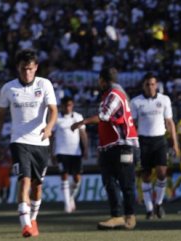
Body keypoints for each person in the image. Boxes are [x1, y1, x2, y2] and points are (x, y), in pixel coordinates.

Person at [0, 48, 58, 237]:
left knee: (38, 187)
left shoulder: (45, 85)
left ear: (36, 68)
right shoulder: (8, 88)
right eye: (23, 69)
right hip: (19, 142)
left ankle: (34, 219)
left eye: (30, 69)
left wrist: (49, 128)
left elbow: (53, 110)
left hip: (41, 142)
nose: (27, 73)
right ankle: (25, 225)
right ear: (17, 68)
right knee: (24, 182)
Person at [71, 67, 138, 230]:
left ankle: (129, 216)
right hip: (111, 147)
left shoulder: (115, 95)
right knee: (109, 181)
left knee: (125, 182)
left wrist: (83, 122)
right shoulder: (112, 95)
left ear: (103, 80)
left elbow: (104, 116)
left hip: (124, 146)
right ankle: (117, 216)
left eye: (99, 80)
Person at [130, 73, 180, 219]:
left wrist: (175, 143)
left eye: (153, 84)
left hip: (160, 140)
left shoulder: (164, 100)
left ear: (156, 85)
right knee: (145, 175)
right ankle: (149, 208)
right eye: (147, 84)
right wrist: (132, 143)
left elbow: (170, 123)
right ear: (143, 86)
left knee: (162, 173)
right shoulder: (136, 102)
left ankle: (158, 203)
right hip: (143, 141)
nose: (150, 87)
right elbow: (132, 124)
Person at [52, 96, 88, 213]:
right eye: (66, 105)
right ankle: (67, 205)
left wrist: (86, 149)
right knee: (64, 176)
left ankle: (71, 197)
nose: (68, 108)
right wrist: (51, 152)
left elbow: (83, 134)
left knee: (77, 179)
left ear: (72, 105)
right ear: (61, 106)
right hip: (61, 152)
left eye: (70, 105)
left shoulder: (78, 117)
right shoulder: (56, 118)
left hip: (75, 152)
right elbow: (51, 137)